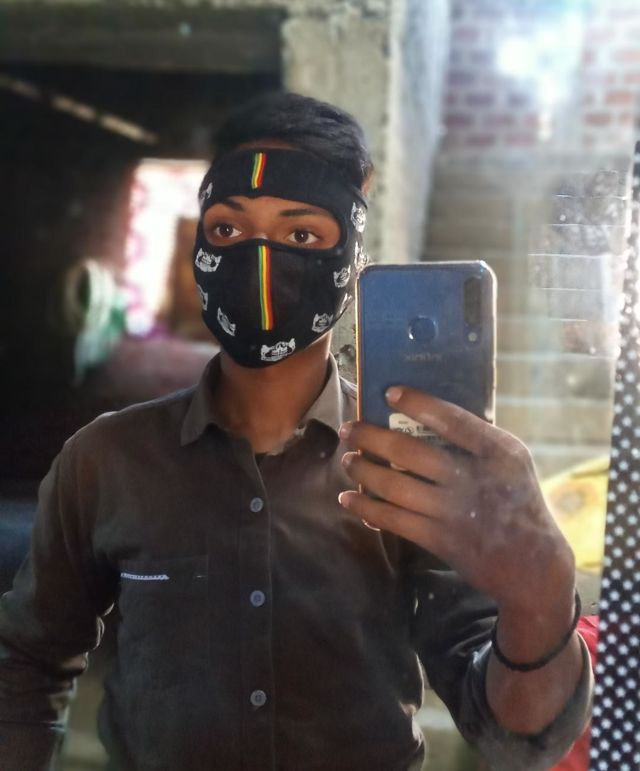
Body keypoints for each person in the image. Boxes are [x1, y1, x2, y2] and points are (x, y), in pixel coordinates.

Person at [0, 92, 592, 771]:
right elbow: (26, 663)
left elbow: (514, 736)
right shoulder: (106, 460)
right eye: (228, 229)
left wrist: (540, 597)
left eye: (302, 235)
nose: (259, 258)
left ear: (351, 259)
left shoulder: (412, 469)